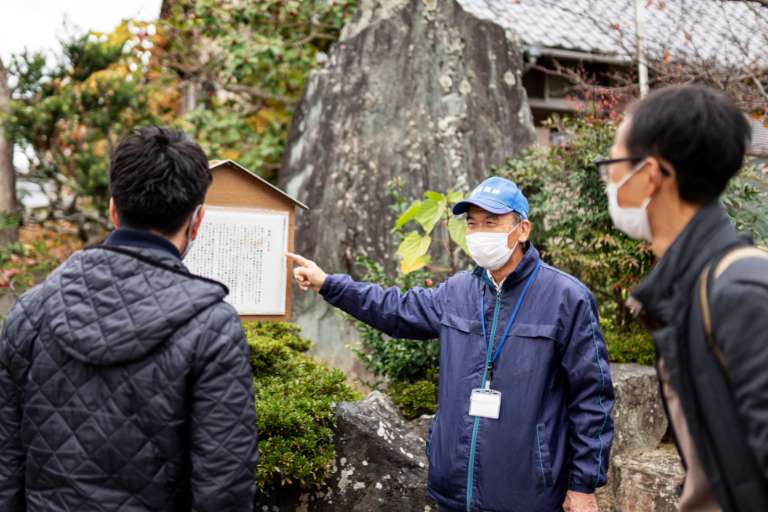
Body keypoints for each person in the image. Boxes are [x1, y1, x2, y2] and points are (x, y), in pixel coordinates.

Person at [288, 176, 614, 512]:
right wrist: (329, 285)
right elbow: (395, 309)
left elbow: (592, 397)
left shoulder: (566, 298)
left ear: (523, 230)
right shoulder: (457, 292)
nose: (479, 232)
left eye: (491, 222)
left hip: (527, 494)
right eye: (472, 223)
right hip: (454, 491)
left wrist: (583, 485)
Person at [0, 126, 259, 511]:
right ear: (197, 221)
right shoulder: (212, 326)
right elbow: (224, 486)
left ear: (112, 210)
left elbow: (6, 466)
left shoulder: (29, 311)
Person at [598, 84, 768, 512]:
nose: (609, 182)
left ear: (650, 175)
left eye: (613, 165)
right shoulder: (688, 287)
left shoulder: (739, 291)